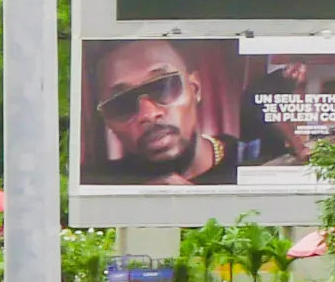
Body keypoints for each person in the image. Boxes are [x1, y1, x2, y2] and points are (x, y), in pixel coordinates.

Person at [89, 38, 232, 185]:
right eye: (121, 103)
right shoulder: (97, 185)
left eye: (163, 87)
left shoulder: (249, 160)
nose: (148, 114)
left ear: (195, 89)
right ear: (107, 121)